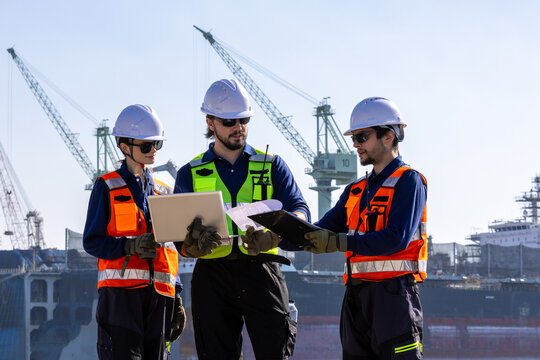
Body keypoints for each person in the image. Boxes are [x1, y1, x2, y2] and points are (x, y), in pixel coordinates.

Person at [174, 79, 310, 360]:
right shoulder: (190, 173)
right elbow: (179, 237)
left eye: (244, 119)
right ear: (210, 122)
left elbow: (301, 211)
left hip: (263, 271)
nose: (238, 127)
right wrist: (191, 246)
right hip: (212, 277)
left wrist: (276, 235)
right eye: (229, 122)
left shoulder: (272, 165)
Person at [304, 97, 427, 359]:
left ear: (389, 136)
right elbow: (318, 232)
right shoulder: (355, 190)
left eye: (362, 137)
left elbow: (397, 238)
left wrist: (340, 242)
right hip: (356, 300)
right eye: (355, 138)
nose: (355, 144)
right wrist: (273, 236)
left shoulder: (409, 181)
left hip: (394, 299)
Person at [83, 104, 185, 359]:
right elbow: (92, 242)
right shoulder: (106, 187)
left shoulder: (163, 191)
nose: (153, 152)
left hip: (160, 296)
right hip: (120, 297)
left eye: (157, 145)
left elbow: (170, 248)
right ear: (124, 146)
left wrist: (178, 293)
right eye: (146, 146)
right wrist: (128, 246)